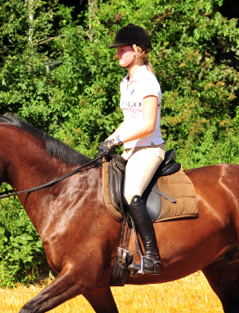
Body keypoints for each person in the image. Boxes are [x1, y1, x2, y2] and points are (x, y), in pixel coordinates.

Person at [98, 23, 165, 276]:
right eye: (117, 50)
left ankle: (152, 258)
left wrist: (116, 142)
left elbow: (147, 125)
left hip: (149, 149)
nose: (117, 54)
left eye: (121, 49)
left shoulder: (148, 82)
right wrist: (109, 139)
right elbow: (129, 120)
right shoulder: (126, 82)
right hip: (130, 149)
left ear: (137, 50)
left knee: (130, 194)